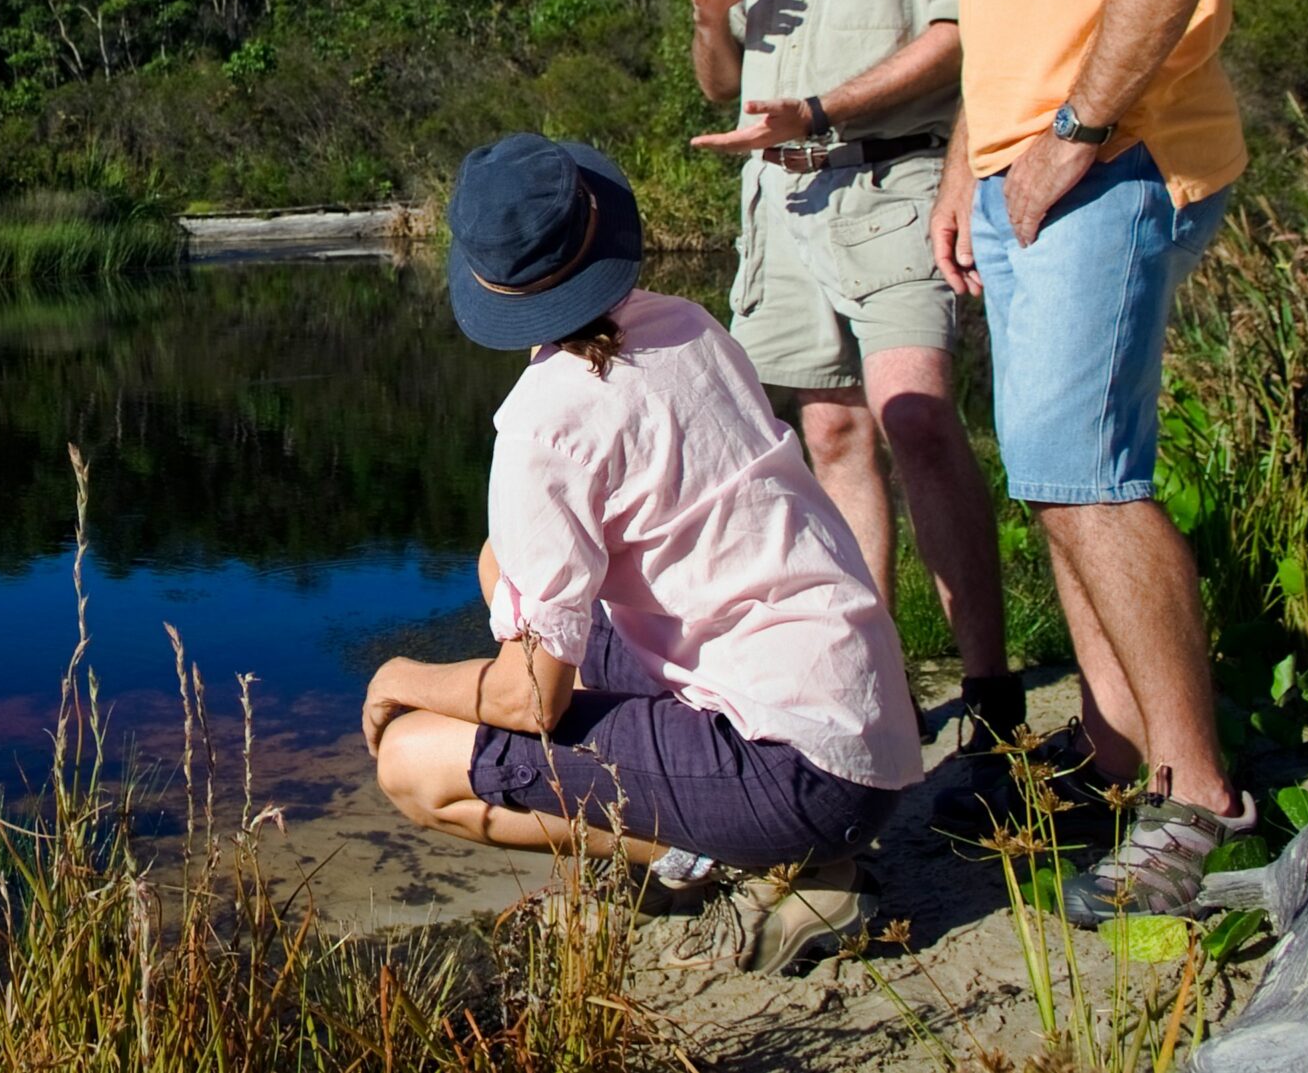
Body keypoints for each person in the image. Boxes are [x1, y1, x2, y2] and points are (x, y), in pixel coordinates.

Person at [892, 0, 1257, 921]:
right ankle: (1113, 759)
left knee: (1085, 476)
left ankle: (1200, 800)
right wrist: (967, 160)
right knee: (1057, 476)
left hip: (1111, 159)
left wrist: (1072, 135)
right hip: (1023, 167)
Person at [362, 132, 923, 973]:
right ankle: (710, 831)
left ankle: (714, 850)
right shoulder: (684, 326)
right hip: (866, 723)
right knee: (502, 567)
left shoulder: (541, 423)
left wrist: (397, 676)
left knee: (412, 758)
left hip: (804, 778)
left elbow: (533, 700)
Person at [678, 0, 1019, 770]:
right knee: (828, 434)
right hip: (781, 205)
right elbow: (717, 83)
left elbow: (966, 29)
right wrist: (709, 20)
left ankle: (991, 692)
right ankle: (871, 686)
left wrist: (822, 108)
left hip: (898, 179)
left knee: (916, 418)